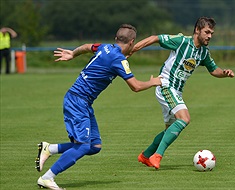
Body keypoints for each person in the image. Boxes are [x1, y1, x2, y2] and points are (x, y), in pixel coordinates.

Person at [35, 24, 162, 190]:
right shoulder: (119, 60)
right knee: (82, 147)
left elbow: (88, 47)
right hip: (77, 102)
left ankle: (50, 148)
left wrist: (73, 53)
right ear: (131, 42)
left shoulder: (104, 47)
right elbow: (136, 86)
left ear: (116, 39)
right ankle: (47, 178)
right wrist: (152, 82)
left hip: (82, 102)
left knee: (94, 146)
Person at [129, 17, 235, 169]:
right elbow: (155, 38)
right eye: (207, 32)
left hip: (176, 91)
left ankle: (145, 155)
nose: (210, 36)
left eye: (211, 33)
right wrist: (132, 50)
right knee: (184, 118)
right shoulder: (181, 41)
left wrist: (224, 73)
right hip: (165, 85)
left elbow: (214, 70)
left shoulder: (203, 52)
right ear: (197, 30)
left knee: (170, 130)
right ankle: (157, 156)